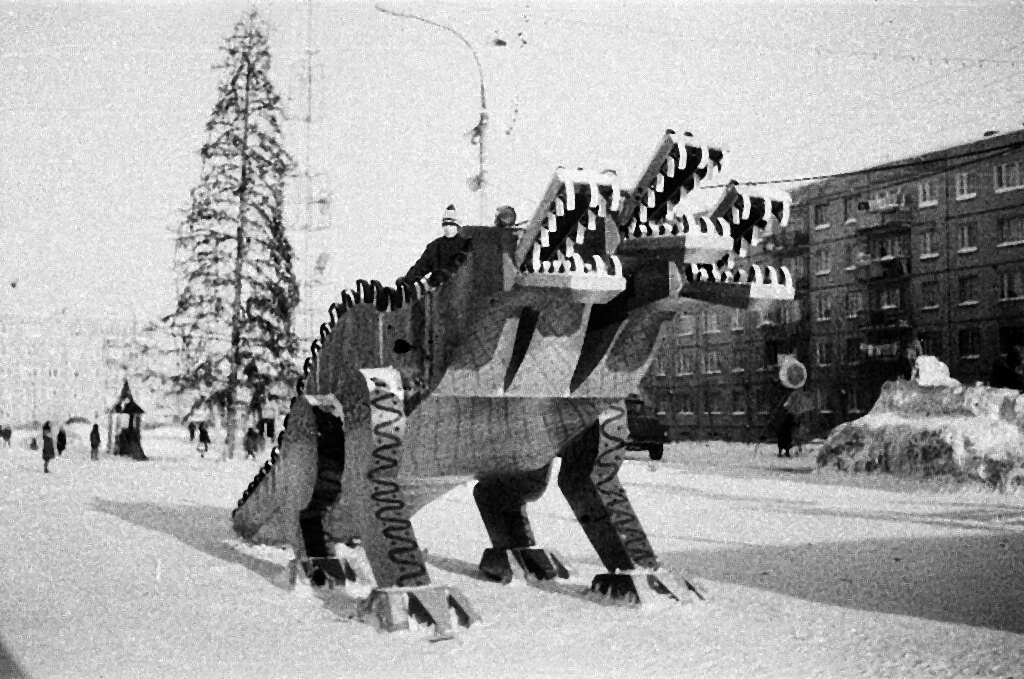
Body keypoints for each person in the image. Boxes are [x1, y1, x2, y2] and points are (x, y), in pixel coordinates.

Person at [398, 204, 468, 285]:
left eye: (451, 224)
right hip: (438, 288)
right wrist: (407, 280)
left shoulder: (466, 245)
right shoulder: (435, 246)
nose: (447, 227)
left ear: (457, 226)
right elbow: (421, 265)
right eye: (445, 224)